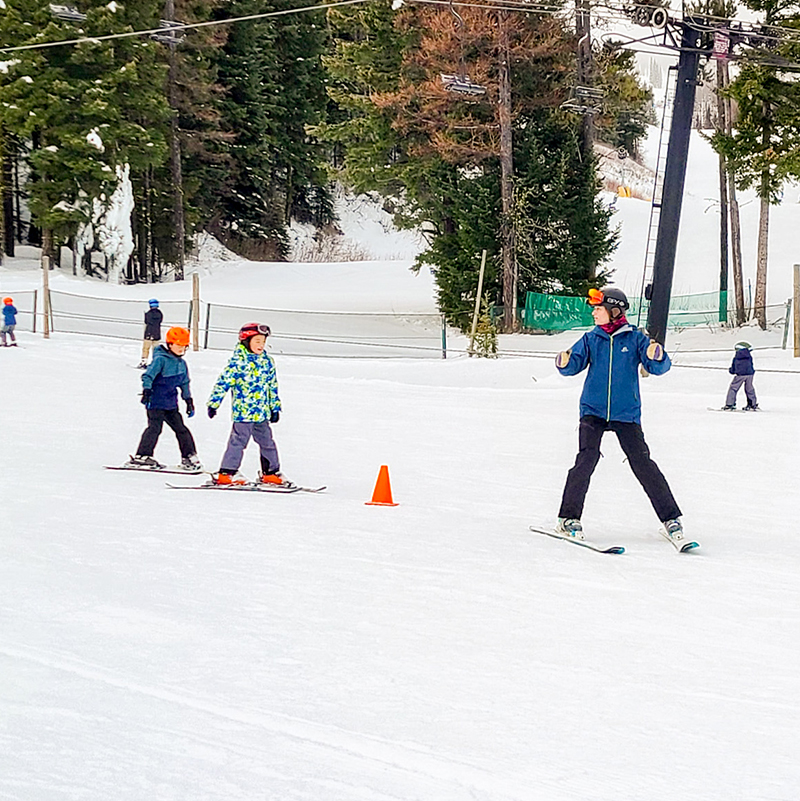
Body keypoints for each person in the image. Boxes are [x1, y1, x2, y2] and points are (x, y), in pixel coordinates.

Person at [553, 287, 687, 547]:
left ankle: (671, 519)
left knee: (643, 463)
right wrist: (563, 362)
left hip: (626, 413)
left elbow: (659, 366)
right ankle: (568, 518)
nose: (593, 313)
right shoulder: (591, 339)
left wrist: (656, 357)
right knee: (586, 459)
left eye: (598, 308)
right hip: (593, 411)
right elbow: (572, 367)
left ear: (614, 311)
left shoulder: (635, 338)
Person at [206, 322, 288, 486]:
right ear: (246, 341)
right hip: (243, 413)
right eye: (257, 341)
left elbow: (272, 386)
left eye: (263, 341)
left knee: (268, 443)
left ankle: (270, 473)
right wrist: (214, 403)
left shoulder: (267, 362)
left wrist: (275, 407)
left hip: (262, 413)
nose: (261, 345)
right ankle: (227, 473)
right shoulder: (238, 363)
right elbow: (223, 383)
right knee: (238, 442)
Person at [127, 326, 201, 470]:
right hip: (155, 401)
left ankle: (189, 456)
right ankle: (142, 456)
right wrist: (147, 390)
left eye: (184, 346)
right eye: (178, 345)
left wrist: (188, 400)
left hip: (171, 404)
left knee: (181, 429)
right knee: (155, 428)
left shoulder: (182, 364)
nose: (181, 349)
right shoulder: (160, 360)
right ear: (170, 344)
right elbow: (148, 375)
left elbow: (184, 383)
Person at [723, 341, 758, 411]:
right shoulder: (749, 356)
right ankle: (752, 404)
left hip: (740, 375)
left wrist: (731, 370)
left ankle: (730, 404)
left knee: (733, 388)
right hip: (750, 374)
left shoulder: (737, 356)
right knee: (749, 388)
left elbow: (734, 366)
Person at [138, 298, 163, 368]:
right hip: (157, 333)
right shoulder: (160, 313)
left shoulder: (149, 313)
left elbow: (147, 322)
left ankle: (144, 362)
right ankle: (155, 363)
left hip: (149, 333)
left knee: (146, 348)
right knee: (155, 349)